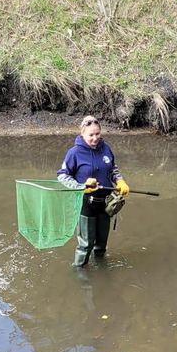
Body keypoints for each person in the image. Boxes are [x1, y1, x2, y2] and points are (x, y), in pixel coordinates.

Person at [57, 114, 130, 267]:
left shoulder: (105, 148)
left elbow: (113, 169)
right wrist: (82, 187)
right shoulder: (74, 153)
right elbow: (63, 176)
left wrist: (120, 180)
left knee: (102, 243)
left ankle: (101, 268)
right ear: (82, 134)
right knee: (86, 244)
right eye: (91, 135)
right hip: (86, 204)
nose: (95, 138)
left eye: (98, 134)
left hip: (106, 203)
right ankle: (79, 272)